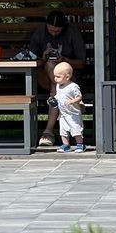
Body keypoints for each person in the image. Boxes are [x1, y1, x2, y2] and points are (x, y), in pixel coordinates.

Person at [28, 9, 86, 146]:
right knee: (50, 65)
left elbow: (82, 63)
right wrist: (43, 58)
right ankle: (49, 131)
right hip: (45, 78)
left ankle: (48, 132)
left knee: (56, 85)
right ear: (46, 25)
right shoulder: (40, 34)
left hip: (69, 79)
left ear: (63, 27)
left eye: (57, 31)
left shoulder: (72, 33)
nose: (54, 33)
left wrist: (64, 60)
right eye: (51, 30)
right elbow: (31, 60)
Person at [51, 62, 85, 153]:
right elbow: (58, 95)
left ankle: (80, 144)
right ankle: (66, 145)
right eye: (55, 76)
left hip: (73, 114)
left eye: (58, 77)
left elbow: (79, 97)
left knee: (76, 129)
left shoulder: (73, 86)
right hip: (63, 113)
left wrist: (72, 101)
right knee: (63, 130)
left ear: (67, 77)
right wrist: (53, 100)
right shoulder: (58, 86)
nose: (55, 79)